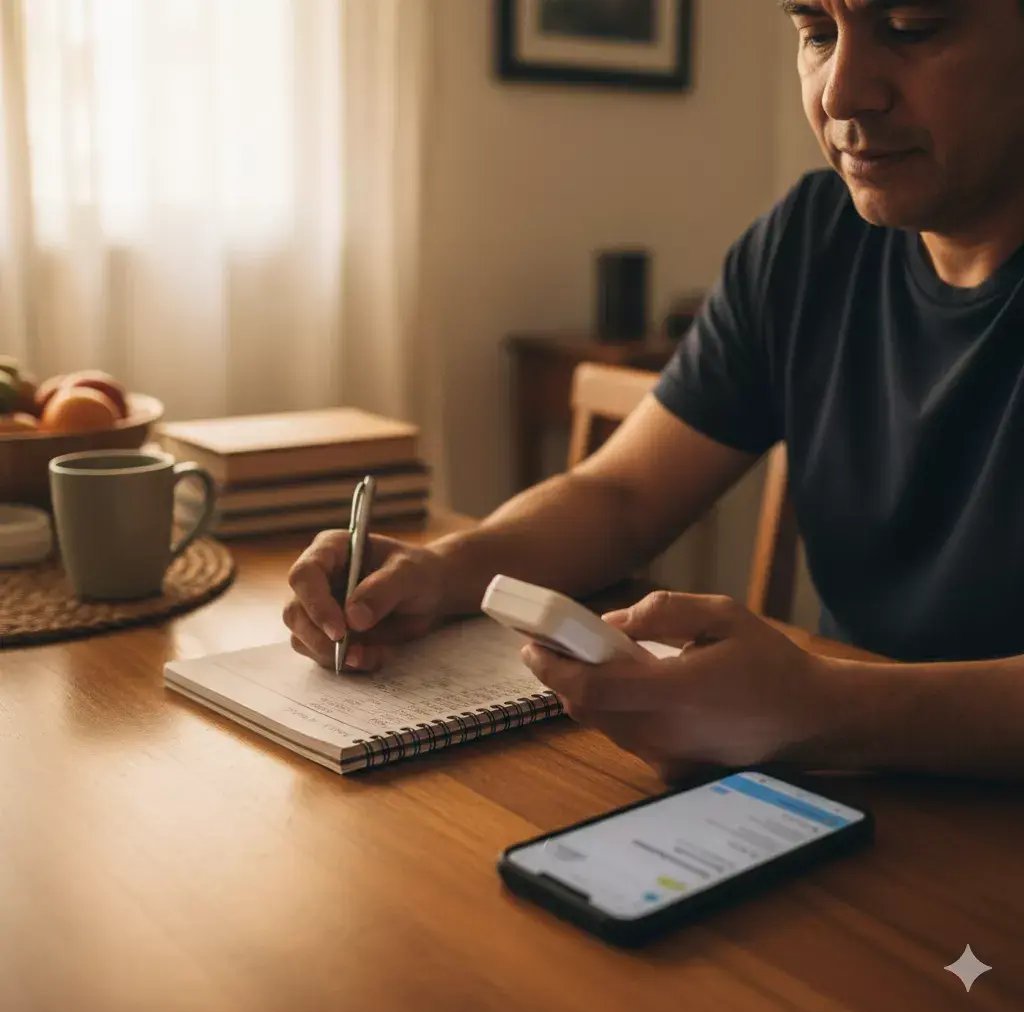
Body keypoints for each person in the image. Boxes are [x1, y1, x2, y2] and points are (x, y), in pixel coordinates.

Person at [285, 0, 1024, 781]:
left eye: (910, 28)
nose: (841, 94)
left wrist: (823, 708)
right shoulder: (810, 243)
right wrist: (443, 570)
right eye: (816, 33)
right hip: (839, 795)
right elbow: (625, 492)